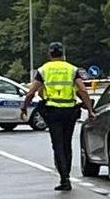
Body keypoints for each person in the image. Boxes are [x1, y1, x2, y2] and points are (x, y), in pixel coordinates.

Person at [20, 42, 95, 191]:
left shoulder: (44, 70)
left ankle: (64, 178)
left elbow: (32, 91)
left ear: (50, 54)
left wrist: (24, 107)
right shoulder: (72, 69)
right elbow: (82, 90)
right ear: (63, 54)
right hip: (70, 111)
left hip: (53, 111)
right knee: (67, 144)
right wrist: (90, 109)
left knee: (58, 144)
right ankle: (66, 176)